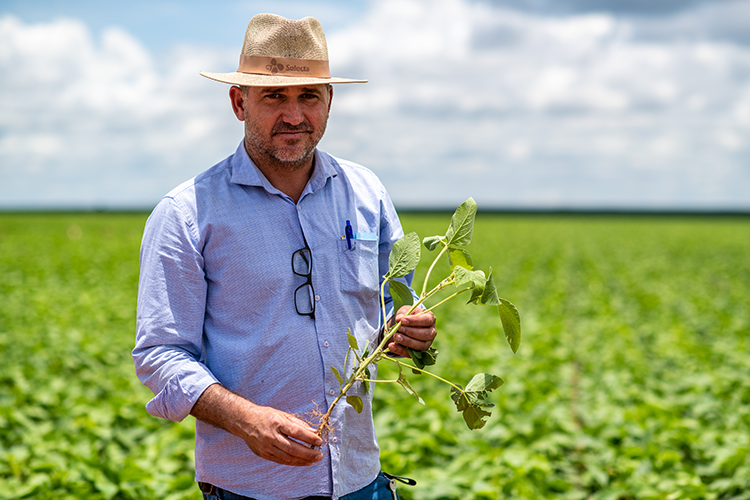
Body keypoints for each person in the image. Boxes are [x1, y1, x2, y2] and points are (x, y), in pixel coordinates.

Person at [133, 13, 437, 500]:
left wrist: (409, 325)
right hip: (249, 487)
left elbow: (392, 304)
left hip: (359, 479)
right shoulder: (187, 214)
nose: (294, 115)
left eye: (309, 96)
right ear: (238, 102)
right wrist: (246, 420)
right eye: (274, 96)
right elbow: (159, 354)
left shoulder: (367, 193)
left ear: (330, 102)